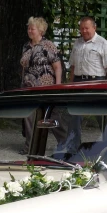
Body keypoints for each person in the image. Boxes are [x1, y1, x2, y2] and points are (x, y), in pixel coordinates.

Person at [19, 16, 67, 154]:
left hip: (45, 87)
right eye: (28, 28)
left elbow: (58, 67)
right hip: (28, 87)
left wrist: (57, 86)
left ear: (40, 30)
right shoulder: (26, 46)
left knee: (51, 116)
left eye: (32, 28)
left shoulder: (48, 45)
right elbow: (24, 67)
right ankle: (30, 147)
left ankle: (65, 144)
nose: (29, 30)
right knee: (29, 116)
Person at [68, 16, 107, 82]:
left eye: (87, 28)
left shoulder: (103, 43)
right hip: (77, 81)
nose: (84, 31)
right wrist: (71, 83)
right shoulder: (77, 43)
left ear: (94, 28)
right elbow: (73, 66)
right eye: (82, 28)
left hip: (95, 81)